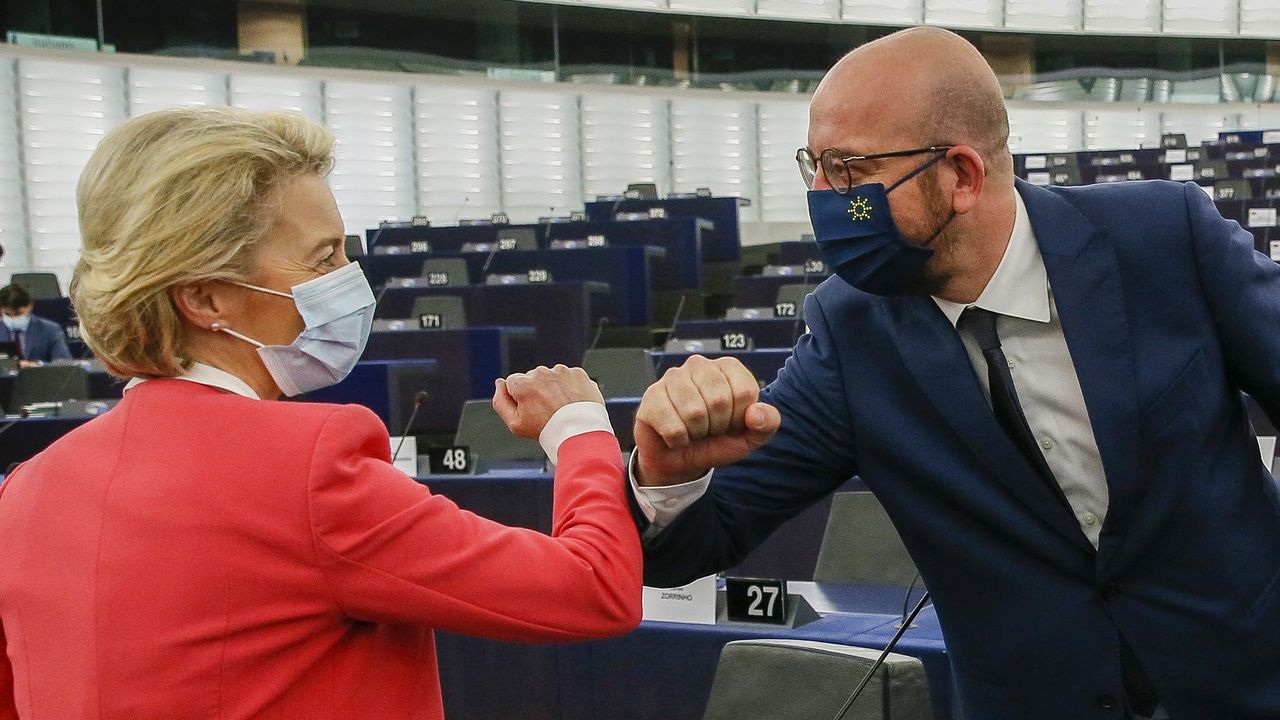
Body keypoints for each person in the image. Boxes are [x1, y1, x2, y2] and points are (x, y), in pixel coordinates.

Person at [629, 27, 1280, 720]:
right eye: (813, 166)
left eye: (848, 171)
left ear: (961, 176)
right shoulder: (850, 335)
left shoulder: (1163, 237)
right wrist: (668, 477)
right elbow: (693, 545)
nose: (824, 197)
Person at [0, 107, 642, 720]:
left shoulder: (26, 489)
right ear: (203, 298)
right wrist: (579, 429)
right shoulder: (307, 466)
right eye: (324, 257)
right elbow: (592, 590)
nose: (349, 276)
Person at [0, 283, 71, 366]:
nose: (13, 318)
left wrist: (38, 365)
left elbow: (64, 363)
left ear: (29, 306)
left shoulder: (50, 330)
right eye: (7, 314)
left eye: (18, 313)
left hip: (39, 377)